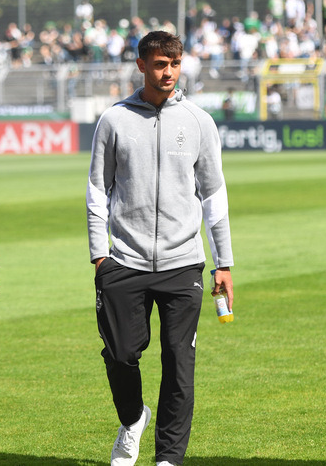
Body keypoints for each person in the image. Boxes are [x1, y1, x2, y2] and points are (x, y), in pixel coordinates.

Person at [87, 30, 234, 466]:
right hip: (124, 261)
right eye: (158, 63)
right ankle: (133, 418)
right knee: (120, 354)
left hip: (183, 263)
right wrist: (99, 255)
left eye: (174, 63)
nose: (167, 72)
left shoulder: (199, 121)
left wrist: (223, 262)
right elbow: (98, 190)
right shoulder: (113, 121)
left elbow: (214, 195)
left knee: (179, 365)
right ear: (141, 65)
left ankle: (168, 459)